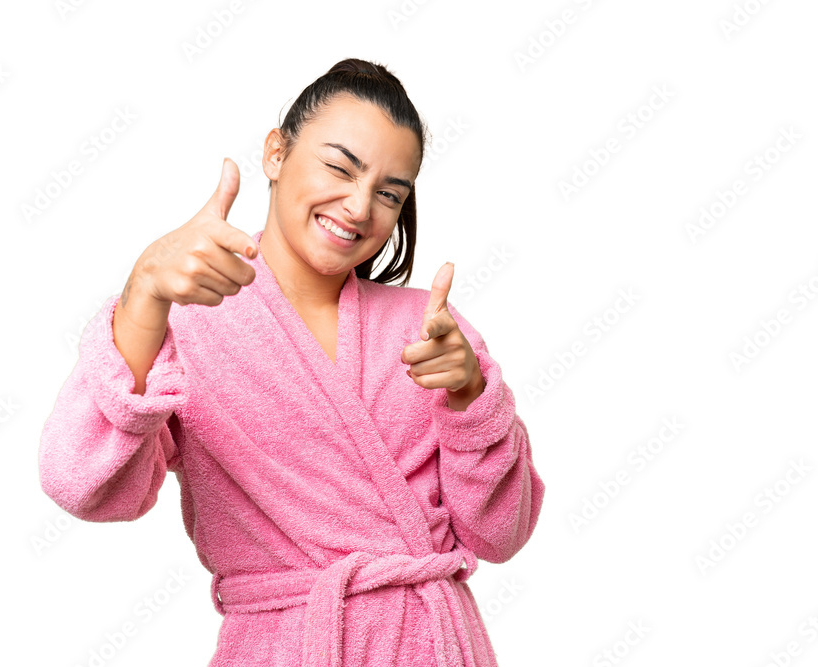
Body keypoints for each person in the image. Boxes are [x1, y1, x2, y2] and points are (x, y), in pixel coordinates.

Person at [38, 58, 545, 667]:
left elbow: (501, 535)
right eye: (340, 167)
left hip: (435, 647)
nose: (359, 207)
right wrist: (144, 293)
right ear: (276, 153)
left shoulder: (430, 330)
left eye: (389, 193)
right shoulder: (186, 321)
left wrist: (472, 399)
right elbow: (84, 487)